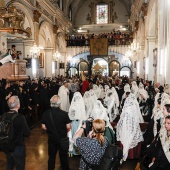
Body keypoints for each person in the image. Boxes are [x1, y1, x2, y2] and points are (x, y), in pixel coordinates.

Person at [42, 95, 71, 170]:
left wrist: (50, 130)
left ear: (51, 103)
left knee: (51, 157)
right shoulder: (64, 114)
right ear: (59, 103)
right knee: (63, 158)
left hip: (51, 139)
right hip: (62, 139)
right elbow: (68, 127)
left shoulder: (45, 113)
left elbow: (43, 127)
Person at [2, 96, 30, 170]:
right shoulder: (20, 117)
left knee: (9, 165)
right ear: (18, 105)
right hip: (18, 146)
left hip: (6, 144)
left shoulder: (3, 115)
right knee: (20, 166)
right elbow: (27, 133)